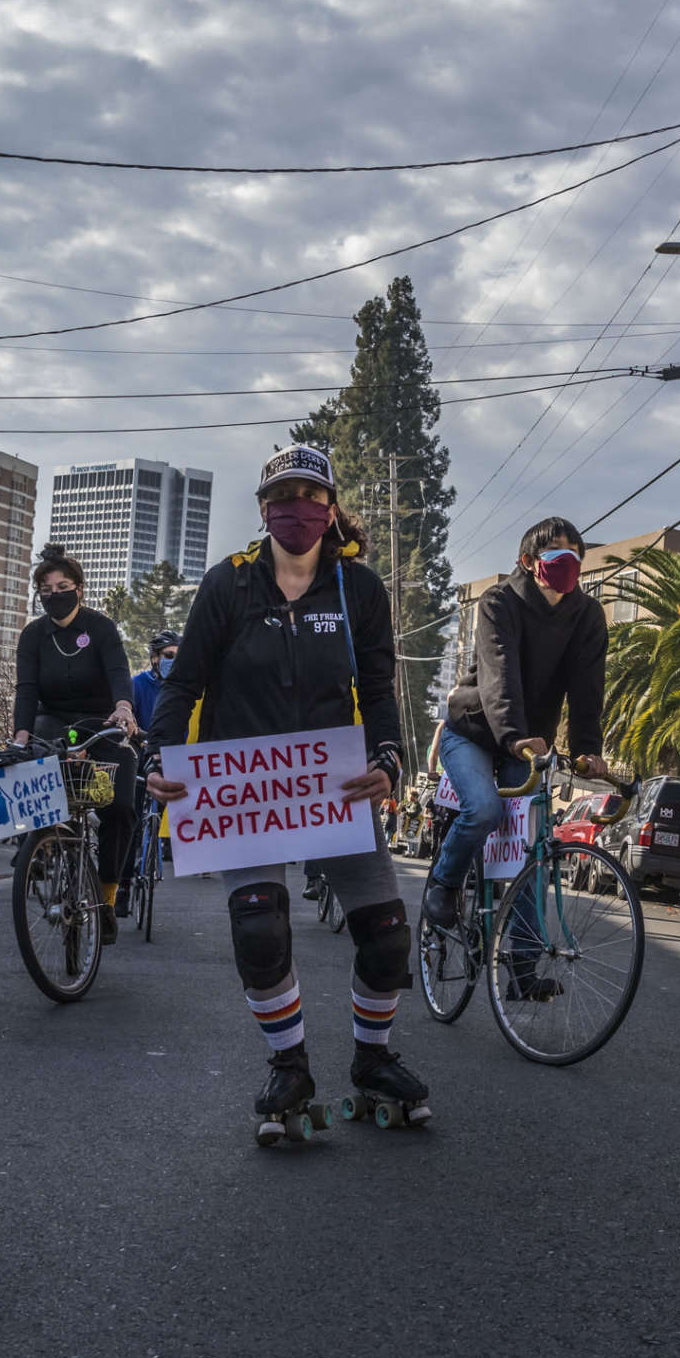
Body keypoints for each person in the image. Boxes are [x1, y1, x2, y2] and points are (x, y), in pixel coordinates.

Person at [147, 444, 416, 1139]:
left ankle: (374, 1060)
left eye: (312, 496)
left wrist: (391, 758)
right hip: (247, 793)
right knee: (260, 927)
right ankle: (288, 1064)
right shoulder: (228, 585)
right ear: (265, 508)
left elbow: (381, 692)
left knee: (387, 938)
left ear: (331, 509)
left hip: (337, 787)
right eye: (285, 496)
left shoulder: (359, 590)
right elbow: (183, 685)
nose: (298, 509)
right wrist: (161, 755)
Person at [424, 517, 612, 953]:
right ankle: (444, 884)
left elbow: (588, 688)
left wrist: (588, 750)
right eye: (557, 554)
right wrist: (513, 736)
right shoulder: (498, 602)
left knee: (532, 844)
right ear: (528, 561)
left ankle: (524, 967)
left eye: (576, 556)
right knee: (485, 809)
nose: (569, 563)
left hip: (528, 742)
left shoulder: (587, 616)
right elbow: (499, 674)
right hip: (473, 730)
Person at [12, 544, 139, 940]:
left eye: (62, 586)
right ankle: (37, 847)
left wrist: (123, 708)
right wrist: (19, 735)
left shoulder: (100, 628)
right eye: (46, 589)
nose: (54, 594)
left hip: (102, 721)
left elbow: (119, 671)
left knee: (120, 806)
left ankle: (107, 894)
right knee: (28, 772)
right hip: (51, 722)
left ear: (79, 589)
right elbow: (26, 690)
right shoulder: (33, 635)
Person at [133, 631, 181, 734]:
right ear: (155, 657)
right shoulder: (137, 684)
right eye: (169, 655)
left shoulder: (186, 688)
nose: (175, 661)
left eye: (179, 656)